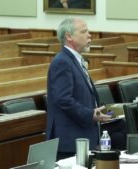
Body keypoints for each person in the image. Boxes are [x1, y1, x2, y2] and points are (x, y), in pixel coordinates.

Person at [46, 18, 126, 160]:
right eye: (84, 31)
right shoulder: (62, 61)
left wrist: (97, 111)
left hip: (82, 136)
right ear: (69, 36)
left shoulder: (76, 60)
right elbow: (63, 99)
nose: (89, 35)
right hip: (70, 141)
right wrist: (90, 114)